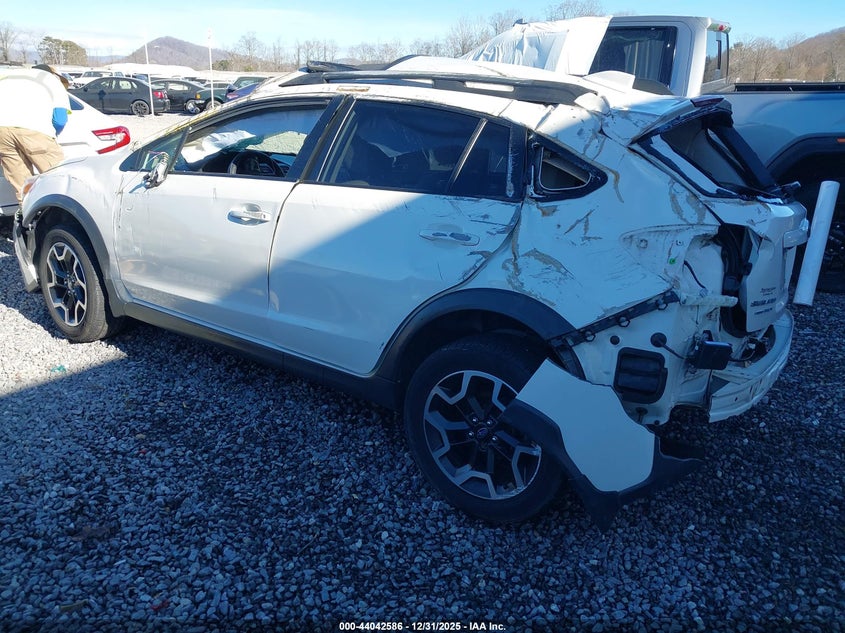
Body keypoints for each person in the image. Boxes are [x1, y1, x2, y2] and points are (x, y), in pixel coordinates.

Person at [0, 64, 71, 211]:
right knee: (58, 177)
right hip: (34, 131)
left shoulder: (9, 76)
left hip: (1, 131)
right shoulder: (52, 81)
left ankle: (28, 219)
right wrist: (51, 137)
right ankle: (60, 215)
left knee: (22, 183)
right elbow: (59, 120)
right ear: (55, 75)